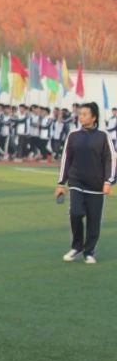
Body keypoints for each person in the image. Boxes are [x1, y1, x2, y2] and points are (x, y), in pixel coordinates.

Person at [56, 101, 116, 265]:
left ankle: (89, 251)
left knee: (93, 220)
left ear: (94, 117)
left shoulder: (103, 136)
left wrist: (108, 181)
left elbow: (110, 160)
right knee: (75, 213)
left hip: (97, 186)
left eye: (84, 114)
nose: (80, 117)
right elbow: (66, 160)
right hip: (76, 182)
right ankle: (76, 246)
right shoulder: (73, 135)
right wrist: (61, 183)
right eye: (80, 114)